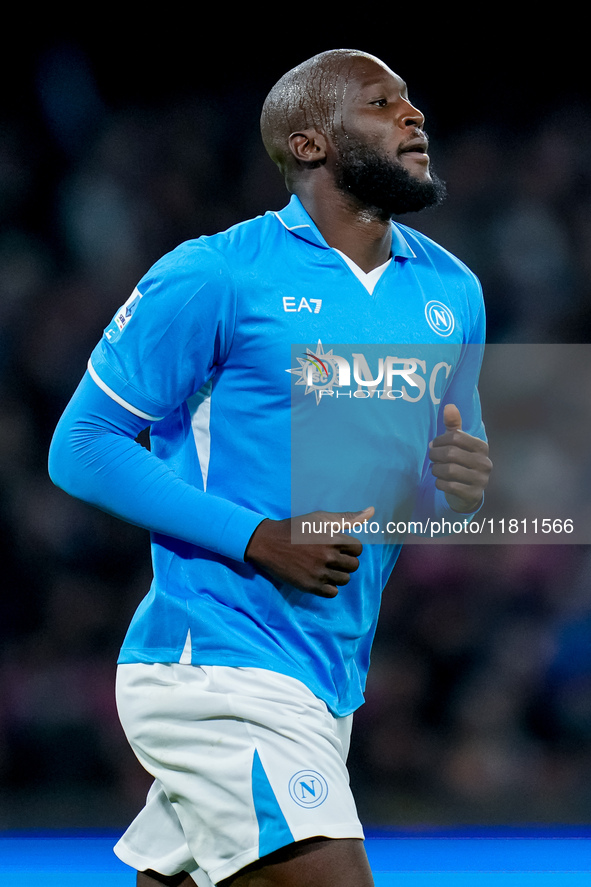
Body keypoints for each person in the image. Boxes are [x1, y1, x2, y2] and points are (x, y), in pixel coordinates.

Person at [48, 49, 492, 887]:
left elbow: (437, 494)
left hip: (327, 675)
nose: (412, 115)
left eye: (410, 101)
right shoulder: (215, 273)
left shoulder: (451, 291)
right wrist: (256, 537)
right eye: (379, 102)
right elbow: (82, 444)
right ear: (309, 143)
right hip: (214, 664)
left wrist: (459, 491)